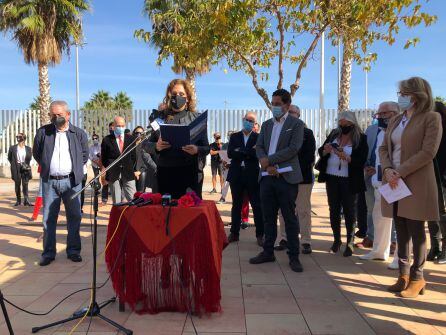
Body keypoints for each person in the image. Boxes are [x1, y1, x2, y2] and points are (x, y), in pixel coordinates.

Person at [380, 77, 442, 298]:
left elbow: (428, 152)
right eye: (400, 93)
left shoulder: (431, 118)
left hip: (415, 181)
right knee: (401, 230)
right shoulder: (396, 120)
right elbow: (383, 148)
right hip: (394, 181)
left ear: (418, 95)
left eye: (405, 93)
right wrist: (388, 170)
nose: (401, 97)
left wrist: (400, 171)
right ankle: (403, 275)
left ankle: (418, 277)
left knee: (417, 230)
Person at [249, 89, 305, 273]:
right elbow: (260, 147)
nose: (274, 107)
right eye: (273, 103)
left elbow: (293, 148)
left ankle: (294, 256)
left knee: (289, 218)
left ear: (287, 105)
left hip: (286, 178)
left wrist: (269, 161)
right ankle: (268, 252)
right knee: (268, 217)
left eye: (278, 104)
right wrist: (265, 165)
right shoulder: (266, 125)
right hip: (266, 177)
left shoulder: (296, 124)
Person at [33, 100, 88, 266]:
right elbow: (37, 153)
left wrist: (74, 169)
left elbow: (84, 155)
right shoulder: (44, 132)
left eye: (59, 115)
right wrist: (48, 166)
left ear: (68, 115)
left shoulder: (78, 133)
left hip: (72, 182)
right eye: (53, 115)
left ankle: (73, 251)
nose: (56, 118)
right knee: (49, 218)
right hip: (50, 182)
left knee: (74, 217)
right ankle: (48, 253)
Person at [145, 78, 209, 199]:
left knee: (187, 214)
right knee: (165, 214)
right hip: (165, 174)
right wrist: (156, 146)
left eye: (181, 94)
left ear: (188, 98)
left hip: (189, 174)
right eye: (174, 94)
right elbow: (146, 145)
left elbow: (206, 148)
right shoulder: (159, 118)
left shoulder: (197, 118)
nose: (177, 97)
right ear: (169, 97)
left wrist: (196, 149)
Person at [317, 111, 368, 257]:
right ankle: (336, 240)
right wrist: (326, 151)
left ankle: (350, 241)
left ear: (352, 123)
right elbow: (321, 151)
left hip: (349, 179)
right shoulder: (334, 134)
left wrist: (347, 157)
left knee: (349, 211)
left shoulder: (361, 138)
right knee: (333, 209)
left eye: (345, 123)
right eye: (340, 122)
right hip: (332, 177)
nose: (342, 125)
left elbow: (361, 160)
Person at [359, 102, 400, 261]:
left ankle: (399, 258)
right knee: (379, 217)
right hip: (378, 181)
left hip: (396, 180)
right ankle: (379, 251)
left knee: (399, 220)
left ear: (395, 113)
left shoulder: (401, 130)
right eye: (379, 114)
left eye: (384, 114)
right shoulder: (379, 131)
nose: (381, 117)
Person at [275, 105, 316, 254]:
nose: (291, 114)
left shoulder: (307, 133)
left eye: (293, 112)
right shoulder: (280, 132)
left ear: (299, 115)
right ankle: (284, 238)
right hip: (283, 177)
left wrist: (291, 167)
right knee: (283, 210)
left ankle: (305, 241)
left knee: (303, 210)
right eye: (289, 112)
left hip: (302, 178)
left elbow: (309, 157)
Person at [227, 112, 264, 245]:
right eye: (247, 119)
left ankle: (260, 235)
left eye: (251, 121)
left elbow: (258, 154)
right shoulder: (234, 136)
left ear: (255, 124)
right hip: (236, 175)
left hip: (252, 175)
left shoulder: (259, 137)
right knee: (236, 205)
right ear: (243, 120)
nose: (248, 122)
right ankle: (234, 233)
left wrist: (240, 151)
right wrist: (248, 152)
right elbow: (230, 153)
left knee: (256, 205)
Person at [101, 116, 138, 204]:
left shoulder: (131, 139)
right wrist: (110, 169)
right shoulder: (107, 140)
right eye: (118, 126)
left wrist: (131, 167)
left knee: (133, 198)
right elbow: (104, 158)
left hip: (128, 171)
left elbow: (133, 157)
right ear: (113, 126)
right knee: (117, 201)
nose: (120, 128)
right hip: (113, 173)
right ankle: (118, 216)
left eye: (122, 125)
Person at [427, 101, 446, 264]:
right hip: (428, 178)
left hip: (442, 180)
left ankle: (444, 250)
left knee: (442, 214)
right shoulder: (428, 133)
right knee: (430, 214)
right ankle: (435, 247)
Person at [8, 132, 33, 206]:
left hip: (25, 167)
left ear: (24, 138)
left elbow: (29, 158)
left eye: (20, 136)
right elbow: (9, 157)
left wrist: (25, 164)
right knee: (17, 184)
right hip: (16, 167)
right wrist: (14, 164)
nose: (18, 138)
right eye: (17, 137)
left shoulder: (28, 148)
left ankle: (26, 200)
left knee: (25, 184)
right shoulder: (12, 148)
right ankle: (18, 200)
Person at [218, 130, 234, 204]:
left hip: (235, 167)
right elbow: (222, 155)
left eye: (231, 135)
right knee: (225, 183)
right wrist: (224, 163)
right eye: (229, 135)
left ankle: (235, 198)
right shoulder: (225, 145)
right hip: (226, 167)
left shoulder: (238, 145)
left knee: (235, 184)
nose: (230, 137)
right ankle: (223, 197)